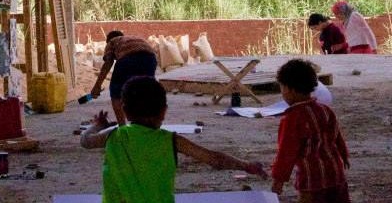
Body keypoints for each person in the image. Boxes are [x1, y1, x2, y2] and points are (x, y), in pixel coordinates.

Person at [81, 76, 267, 203]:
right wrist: (246, 165)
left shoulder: (113, 136)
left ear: (125, 111)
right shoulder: (171, 140)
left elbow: (85, 140)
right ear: (164, 111)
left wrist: (98, 125)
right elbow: (215, 159)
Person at [272, 59, 351, 202]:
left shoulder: (292, 119)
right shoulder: (325, 110)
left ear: (289, 89)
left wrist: (279, 180)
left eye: (282, 88)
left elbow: (286, 152)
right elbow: (337, 137)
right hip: (336, 174)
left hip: (311, 180)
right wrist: (344, 155)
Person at [90, 30, 158, 124]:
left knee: (116, 91)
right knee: (145, 91)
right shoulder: (133, 39)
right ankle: (148, 123)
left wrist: (97, 86)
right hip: (150, 59)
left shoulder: (112, 42)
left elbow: (108, 62)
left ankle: (122, 126)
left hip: (127, 60)